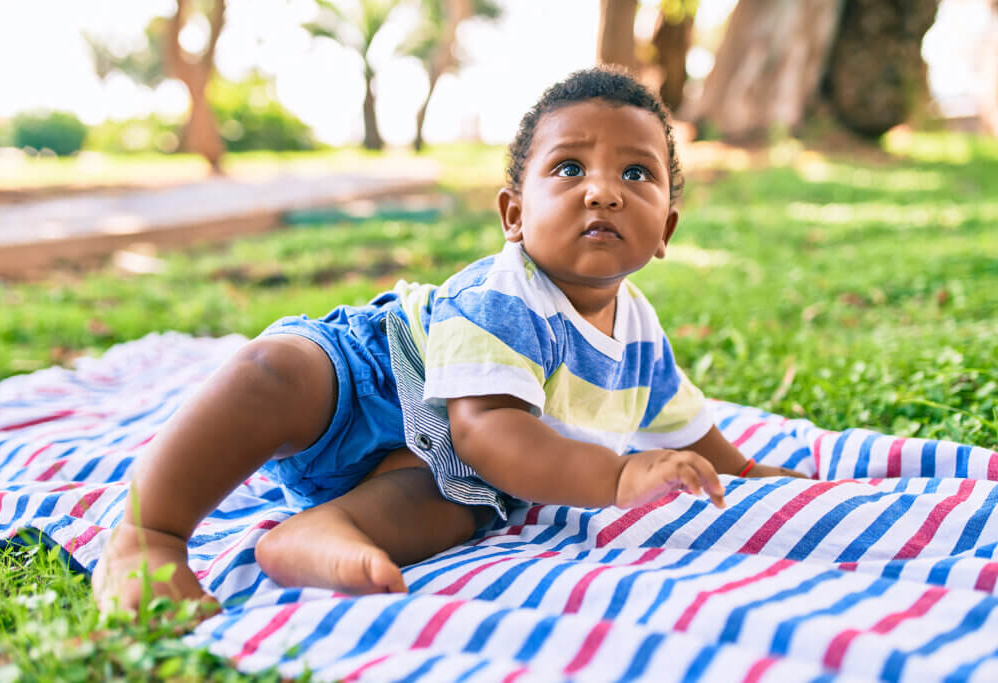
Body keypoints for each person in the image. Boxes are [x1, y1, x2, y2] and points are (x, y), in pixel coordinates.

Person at [92, 66, 805, 613]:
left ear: (666, 231)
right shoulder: (506, 293)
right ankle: (149, 532)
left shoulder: (640, 335)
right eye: (569, 168)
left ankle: (318, 532)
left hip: (433, 461)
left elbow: (689, 426)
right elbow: (487, 430)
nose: (602, 190)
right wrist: (616, 478)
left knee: (454, 510)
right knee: (270, 373)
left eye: (636, 173)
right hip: (365, 382)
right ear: (514, 215)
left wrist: (745, 472)